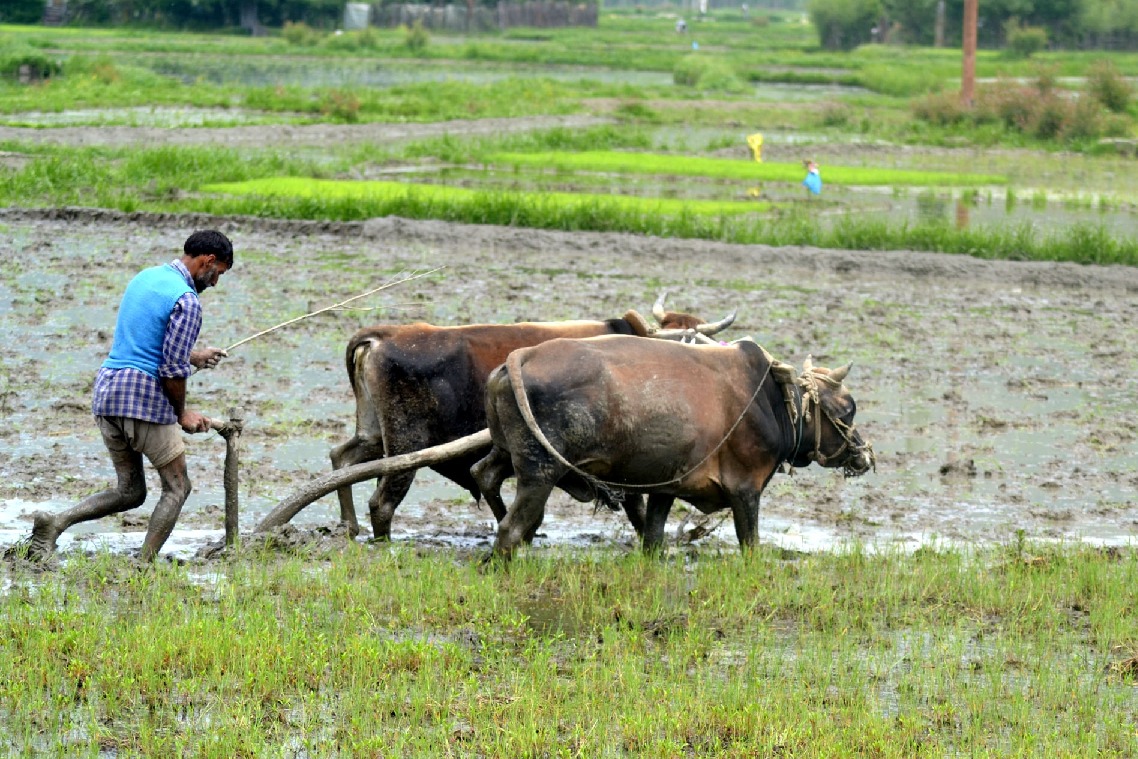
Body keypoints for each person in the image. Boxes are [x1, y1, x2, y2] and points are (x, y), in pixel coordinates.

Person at [19, 230, 234, 563]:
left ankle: (55, 523)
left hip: (108, 393)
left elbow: (145, 340)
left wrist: (195, 356)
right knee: (178, 488)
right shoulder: (187, 301)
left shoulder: (146, 277)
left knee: (130, 491)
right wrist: (182, 415)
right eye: (218, 273)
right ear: (207, 260)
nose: (216, 282)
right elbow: (170, 370)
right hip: (142, 399)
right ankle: (143, 566)